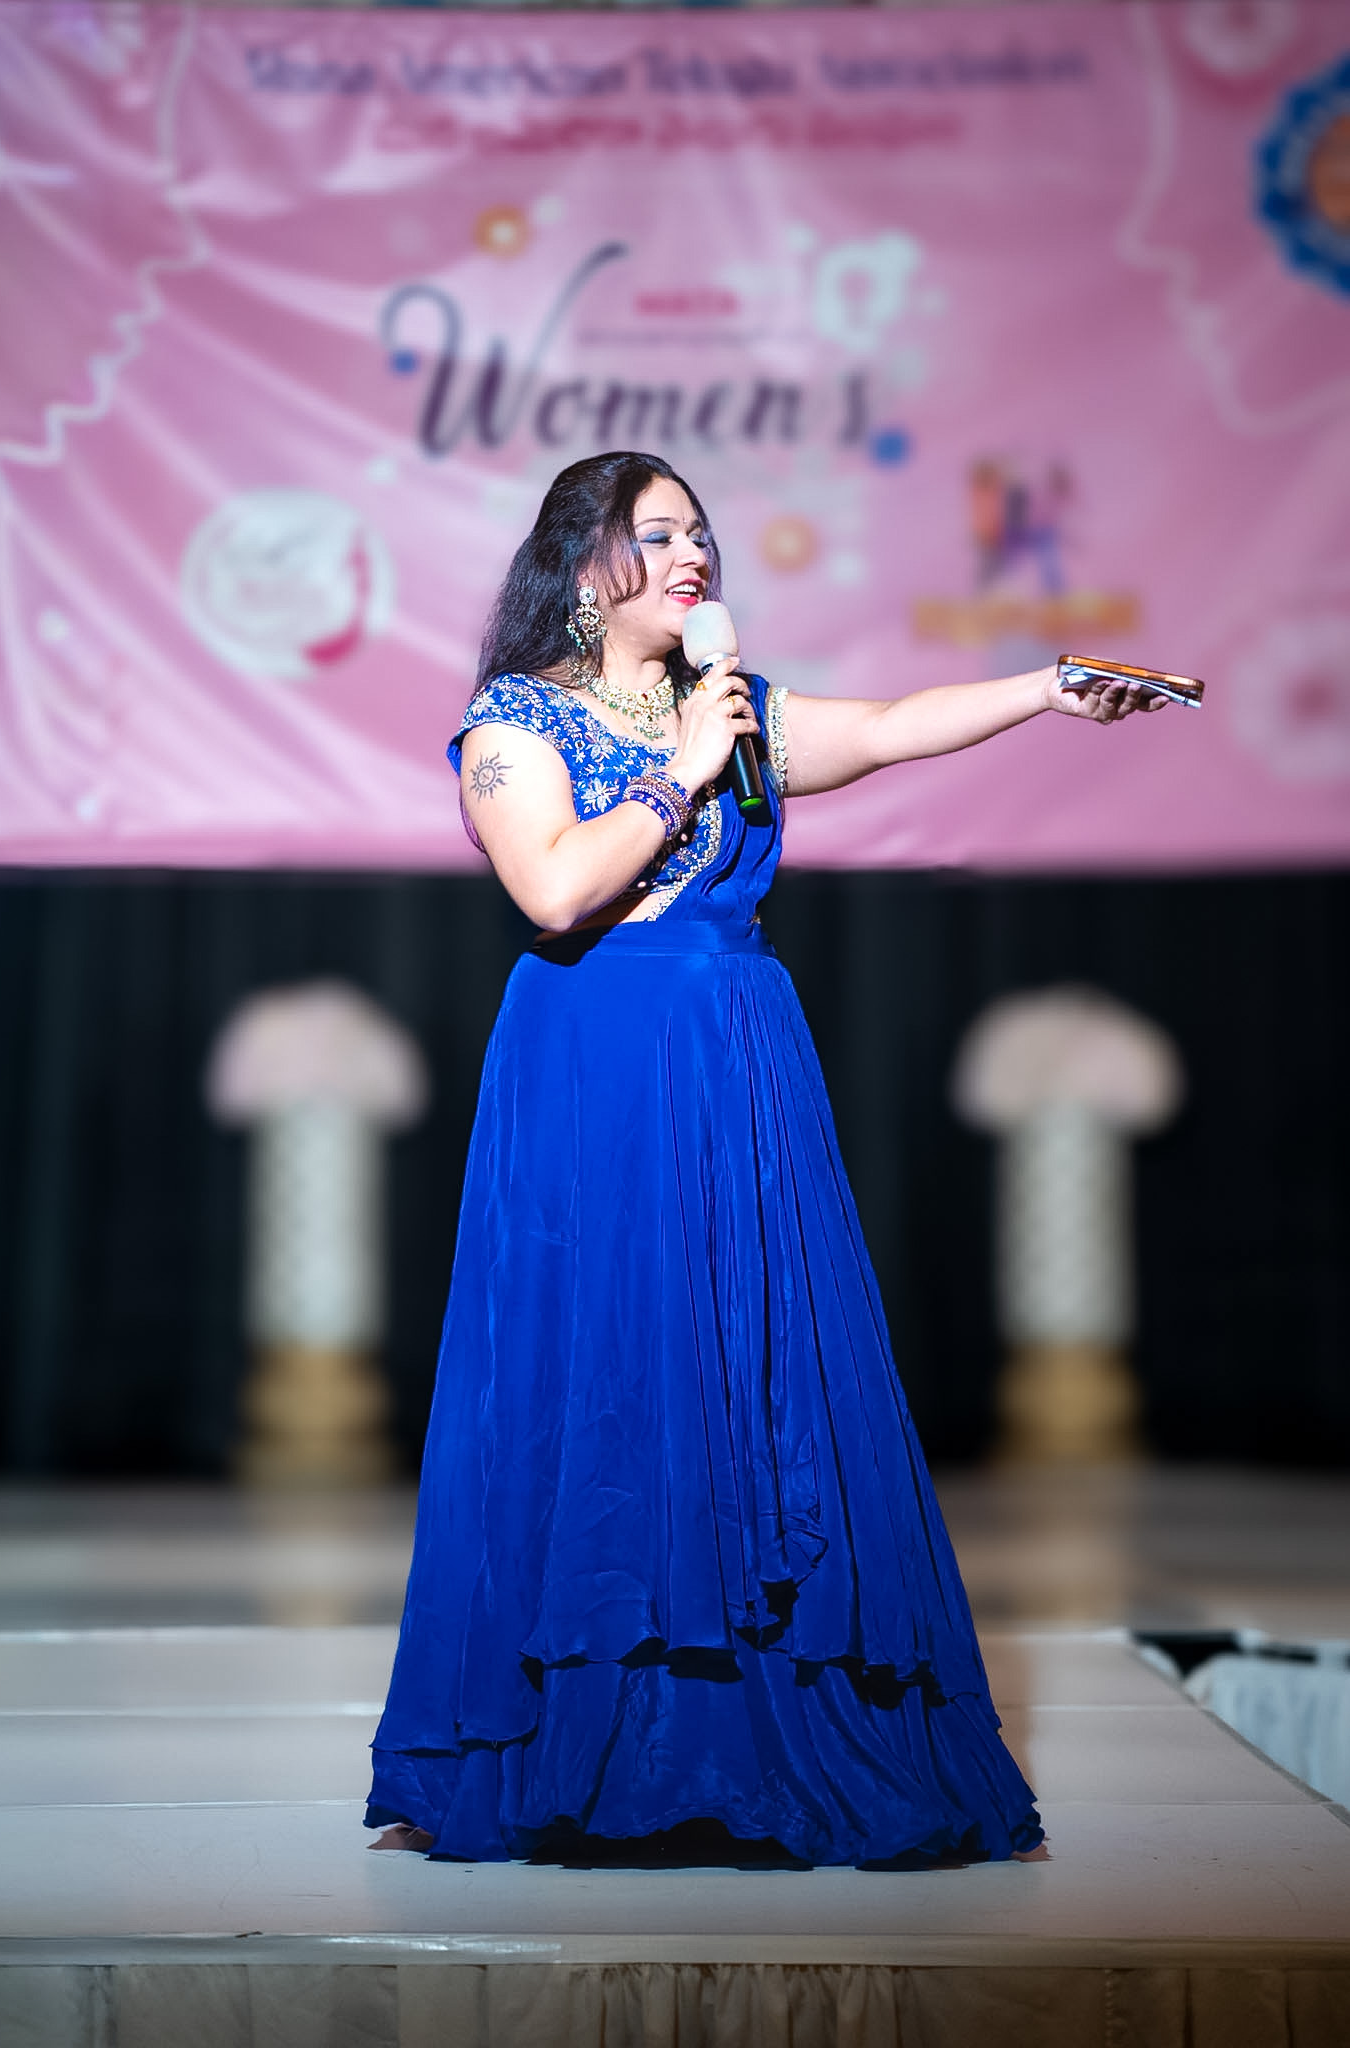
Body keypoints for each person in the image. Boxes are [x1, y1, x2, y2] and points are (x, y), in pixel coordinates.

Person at [366, 450, 1161, 1868]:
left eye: (700, 534)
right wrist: (680, 768)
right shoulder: (516, 720)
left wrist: (1047, 687)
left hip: (736, 1057)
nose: (692, 556)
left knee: (754, 1360)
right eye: (658, 533)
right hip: (601, 1066)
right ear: (583, 563)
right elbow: (553, 886)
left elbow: (894, 726)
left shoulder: (730, 707)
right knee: (617, 1356)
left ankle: (771, 1733)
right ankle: (589, 1744)